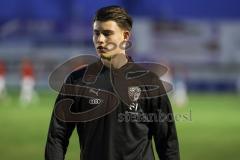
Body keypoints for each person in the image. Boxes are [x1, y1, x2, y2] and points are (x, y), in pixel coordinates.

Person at [45, 6, 180, 160]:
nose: (100, 40)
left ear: (125, 36)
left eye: (107, 33)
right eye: (96, 33)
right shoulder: (77, 81)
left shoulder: (149, 82)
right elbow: (57, 136)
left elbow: (167, 142)